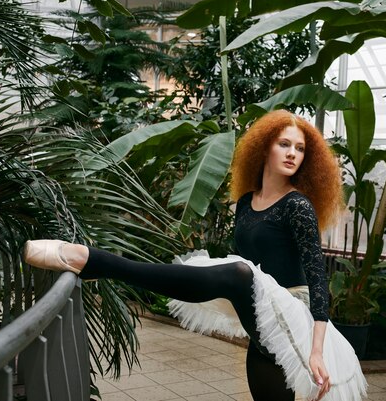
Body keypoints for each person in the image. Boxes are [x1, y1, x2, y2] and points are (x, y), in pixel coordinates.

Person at [23, 110, 367, 401]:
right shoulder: (247, 203)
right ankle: (96, 263)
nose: (293, 153)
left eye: (300, 148)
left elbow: (318, 279)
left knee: (239, 273)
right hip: (263, 318)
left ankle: (93, 261)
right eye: (284, 144)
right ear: (264, 148)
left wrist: (317, 350)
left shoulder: (298, 206)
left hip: (297, 314)